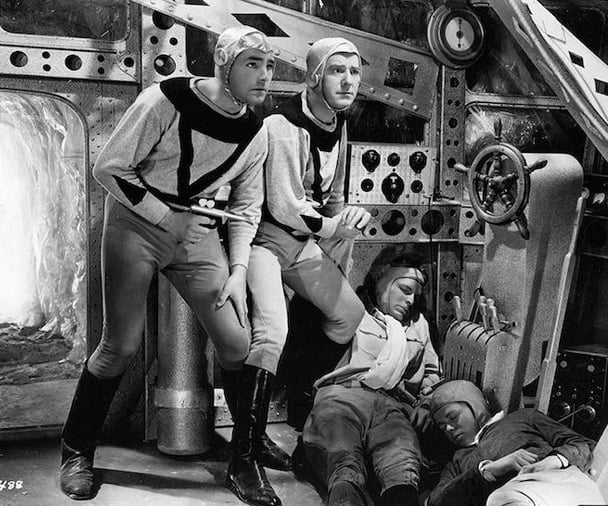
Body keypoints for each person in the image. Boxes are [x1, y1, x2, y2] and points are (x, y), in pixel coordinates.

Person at [58, 26, 276, 501]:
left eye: (270, 65)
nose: (264, 76)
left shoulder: (255, 130)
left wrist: (239, 270)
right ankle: (76, 452)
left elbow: (246, 207)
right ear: (223, 63)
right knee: (119, 346)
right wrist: (167, 218)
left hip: (195, 235)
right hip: (135, 224)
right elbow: (108, 167)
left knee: (237, 343)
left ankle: (245, 459)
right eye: (252, 64)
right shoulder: (165, 99)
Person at [227, 36, 372, 505]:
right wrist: (332, 226)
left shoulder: (338, 123)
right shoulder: (283, 124)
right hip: (264, 240)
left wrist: (349, 216)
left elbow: (334, 197)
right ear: (314, 76)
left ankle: (300, 399)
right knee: (271, 332)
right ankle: (242, 460)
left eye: (354, 71)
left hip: (301, 242)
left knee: (348, 315)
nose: (348, 81)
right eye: (337, 71)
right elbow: (286, 205)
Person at [300, 253, 442, 506]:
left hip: (392, 405)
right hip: (343, 396)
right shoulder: (352, 311)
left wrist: (427, 403)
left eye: (416, 296)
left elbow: (432, 374)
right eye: (405, 290)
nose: (411, 300)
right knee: (343, 460)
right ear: (381, 283)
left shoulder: (419, 325)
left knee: (402, 463)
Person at [427, 379, 605, 506]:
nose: (448, 428)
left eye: (453, 417)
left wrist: (553, 461)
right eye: (442, 426)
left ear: (475, 406)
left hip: (557, 485)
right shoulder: (457, 462)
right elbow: (436, 501)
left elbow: (584, 444)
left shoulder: (523, 418)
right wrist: (487, 471)